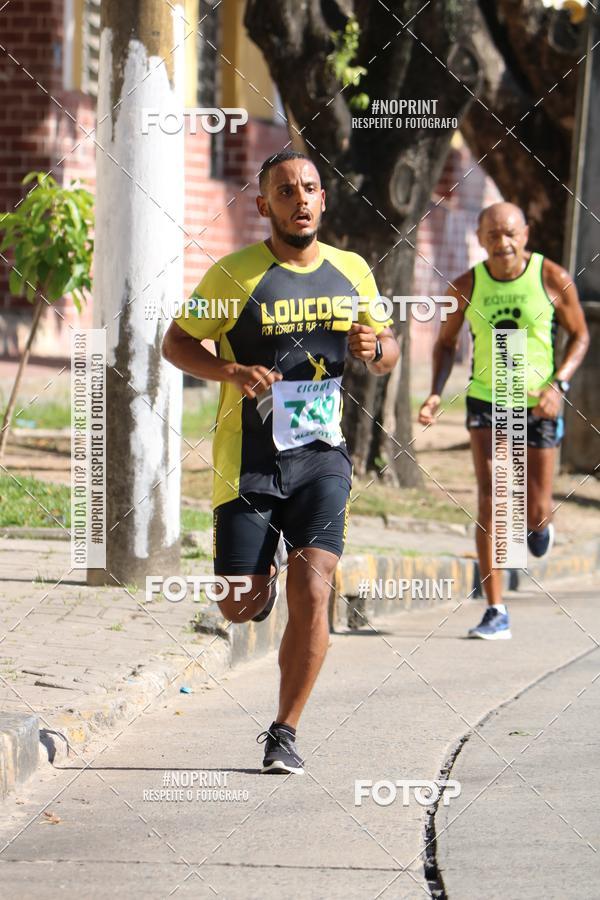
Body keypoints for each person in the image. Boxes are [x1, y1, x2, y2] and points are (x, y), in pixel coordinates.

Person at [162, 150, 399, 772]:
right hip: (248, 459)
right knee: (237, 603)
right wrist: (230, 369)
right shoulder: (235, 275)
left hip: (322, 458)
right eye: (286, 190)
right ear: (264, 205)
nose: (300, 198)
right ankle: (256, 594)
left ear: (324, 201)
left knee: (315, 584)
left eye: (311, 188)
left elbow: (387, 349)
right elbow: (177, 342)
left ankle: (284, 732)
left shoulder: (351, 272)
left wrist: (378, 348)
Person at [418, 202, 589, 640]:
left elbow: (581, 335)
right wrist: (437, 391)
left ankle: (539, 526)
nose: (502, 242)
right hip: (487, 400)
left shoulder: (550, 277)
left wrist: (559, 386)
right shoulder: (467, 286)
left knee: (533, 509)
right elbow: (445, 343)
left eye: (510, 233)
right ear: (480, 239)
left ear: (525, 234)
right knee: (492, 499)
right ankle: (496, 610)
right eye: (492, 234)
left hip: (537, 403)